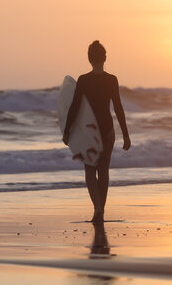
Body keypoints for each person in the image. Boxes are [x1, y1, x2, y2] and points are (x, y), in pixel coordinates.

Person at [63, 40, 131, 222]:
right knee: (104, 170)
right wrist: (126, 134)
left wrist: (67, 130)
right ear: (105, 58)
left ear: (89, 59)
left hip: (89, 133)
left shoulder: (84, 80)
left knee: (90, 171)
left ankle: (97, 208)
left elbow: (75, 107)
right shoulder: (111, 80)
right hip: (108, 130)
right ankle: (102, 209)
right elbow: (118, 108)